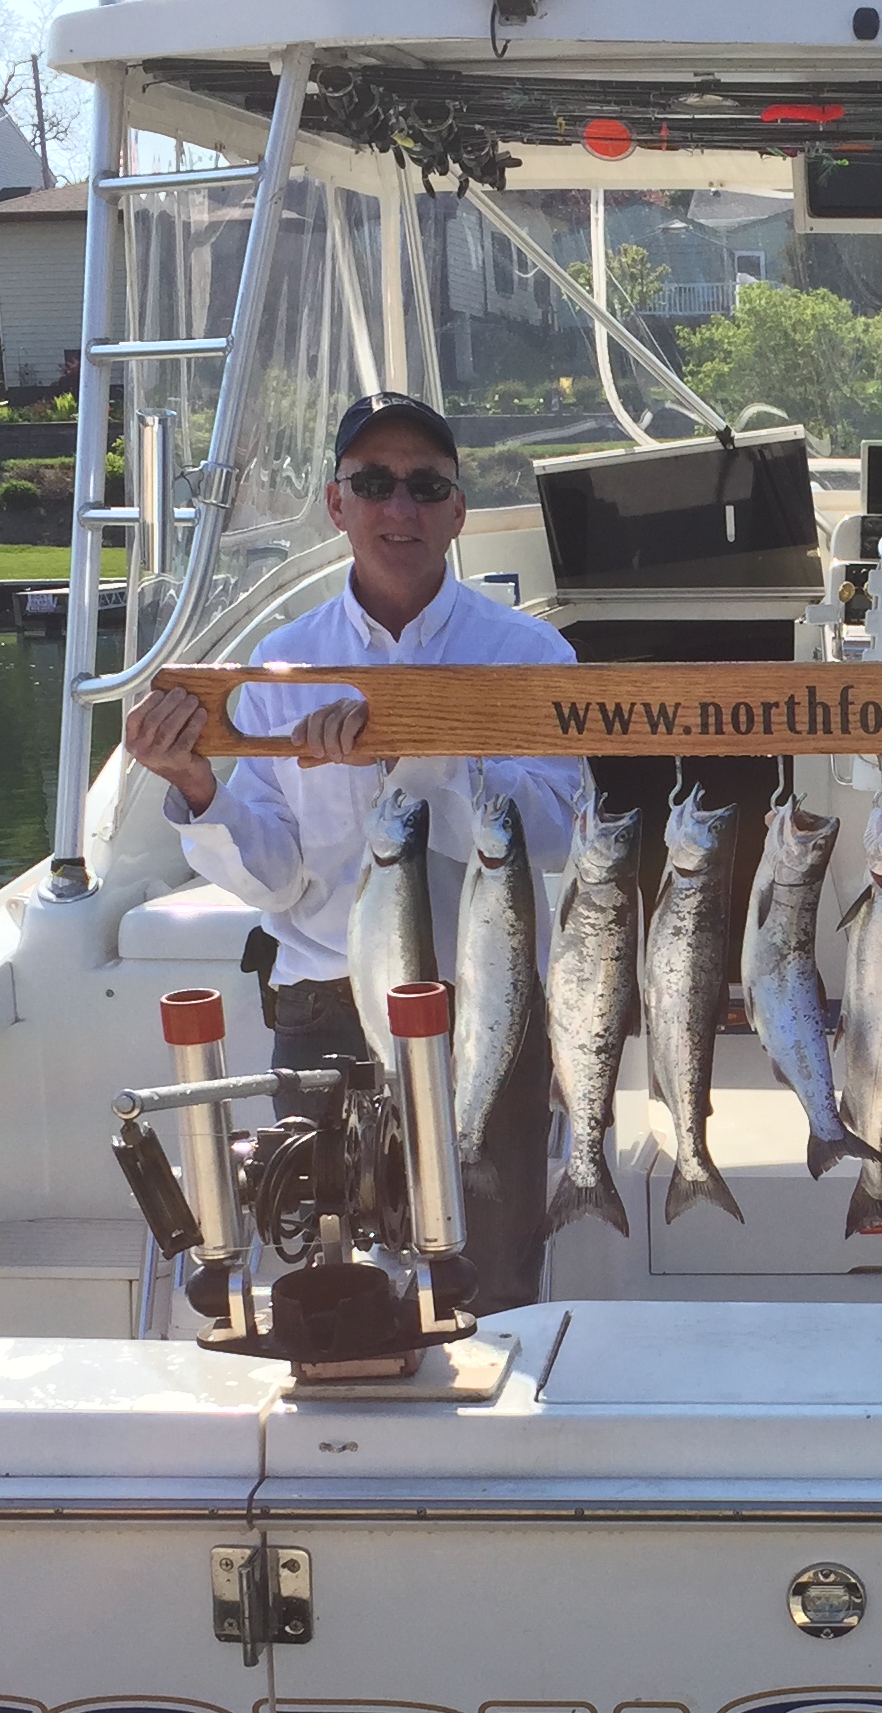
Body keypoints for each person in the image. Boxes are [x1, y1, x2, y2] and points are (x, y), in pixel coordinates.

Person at [122, 392, 587, 1311]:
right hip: (322, 1012)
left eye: (425, 485)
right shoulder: (278, 664)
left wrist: (424, 751)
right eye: (373, 483)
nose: (399, 508)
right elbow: (276, 875)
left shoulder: (530, 655)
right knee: (333, 1291)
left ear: (459, 508)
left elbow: (560, 831)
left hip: (485, 1006)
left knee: (493, 1279)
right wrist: (196, 786)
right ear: (337, 504)